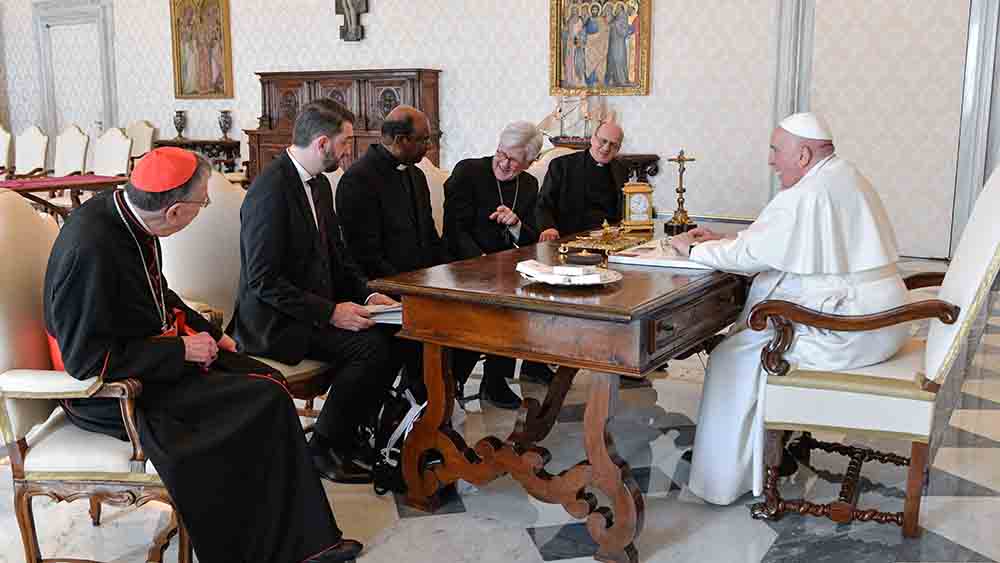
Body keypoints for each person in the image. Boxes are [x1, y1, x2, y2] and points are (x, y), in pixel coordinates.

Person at [44, 147, 362, 562]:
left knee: (267, 382)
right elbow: (87, 362)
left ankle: (294, 538)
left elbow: (158, 294)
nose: (202, 209)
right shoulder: (92, 247)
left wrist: (211, 333)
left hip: (151, 364)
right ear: (174, 211)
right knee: (264, 398)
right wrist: (180, 350)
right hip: (116, 394)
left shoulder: (127, 216)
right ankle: (272, 549)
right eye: (202, 202)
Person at [668, 112, 909, 506]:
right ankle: (760, 449)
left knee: (733, 355)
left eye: (775, 150)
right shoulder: (844, 175)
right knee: (747, 340)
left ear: (803, 154)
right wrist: (729, 238)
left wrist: (693, 248)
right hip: (879, 323)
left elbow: (750, 256)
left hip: (851, 331)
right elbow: (788, 242)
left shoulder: (807, 193)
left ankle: (727, 474)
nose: (770, 160)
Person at [228, 99, 399, 486]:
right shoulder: (270, 190)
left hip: (308, 311)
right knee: (370, 349)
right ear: (322, 142)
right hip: (274, 323)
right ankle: (322, 448)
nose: (348, 151)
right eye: (345, 142)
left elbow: (339, 257)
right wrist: (331, 313)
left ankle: (352, 435)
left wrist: (369, 297)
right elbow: (264, 281)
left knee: (393, 333)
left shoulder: (319, 184)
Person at [336, 105, 451, 400]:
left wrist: (446, 278)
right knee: (432, 330)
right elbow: (364, 255)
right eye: (425, 139)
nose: (430, 145)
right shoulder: (358, 180)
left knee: (467, 323)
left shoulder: (416, 175)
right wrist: (412, 291)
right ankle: (415, 405)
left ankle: (436, 400)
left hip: (419, 286)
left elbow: (430, 236)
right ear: (401, 140)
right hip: (384, 290)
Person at [443, 121, 544, 409]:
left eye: (513, 159)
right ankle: (455, 378)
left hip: (502, 268)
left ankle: (495, 380)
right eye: (501, 153)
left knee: (522, 297)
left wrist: (516, 224)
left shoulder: (528, 185)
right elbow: (454, 229)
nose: (503, 162)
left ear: (529, 162)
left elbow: (530, 238)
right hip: (459, 263)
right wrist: (482, 264)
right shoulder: (468, 172)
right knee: (489, 305)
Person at [536, 120, 628, 242]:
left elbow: (626, 208)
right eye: (603, 141)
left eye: (613, 145)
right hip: (570, 238)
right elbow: (543, 203)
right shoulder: (562, 165)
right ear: (593, 139)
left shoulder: (621, 170)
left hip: (610, 240)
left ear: (618, 148)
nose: (606, 148)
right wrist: (548, 228)